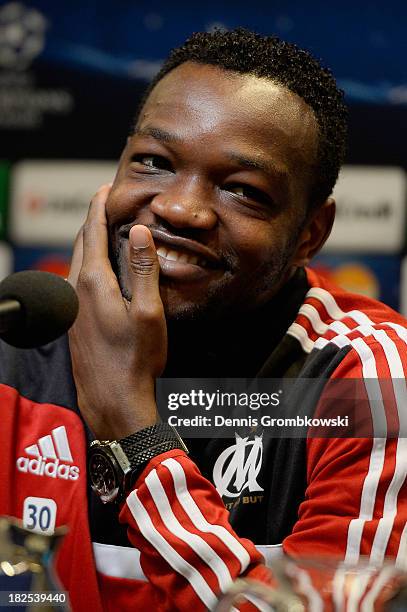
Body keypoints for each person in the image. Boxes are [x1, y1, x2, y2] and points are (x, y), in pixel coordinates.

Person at [1, 28, 407, 611]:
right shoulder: (19, 334)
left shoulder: (367, 381)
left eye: (243, 190)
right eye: (152, 162)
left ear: (309, 235)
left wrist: (134, 432)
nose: (179, 208)